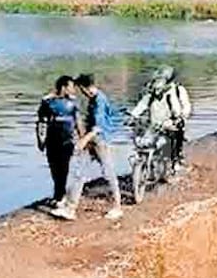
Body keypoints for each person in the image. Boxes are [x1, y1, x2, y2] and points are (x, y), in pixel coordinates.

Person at [52, 74, 124, 221]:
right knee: (79, 172)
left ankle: (117, 207)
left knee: (108, 172)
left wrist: (83, 140)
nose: (81, 93)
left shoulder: (99, 101)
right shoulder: (93, 99)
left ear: (86, 88)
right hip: (92, 141)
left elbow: (97, 128)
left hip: (100, 141)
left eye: (81, 89)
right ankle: (70, 208)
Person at [129, 66, 192, 171]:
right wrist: (133, 115)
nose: (159, 82)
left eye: (162, 79)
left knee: (176, 136)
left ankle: (176, 160)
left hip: (172, 123)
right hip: (154, 124)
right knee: (142, 140)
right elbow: (143, 104)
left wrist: (181, 116)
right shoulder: (152, 92)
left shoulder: (177, 90)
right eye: (158, 79)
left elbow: (186, 106)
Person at [35, 76, 79, 209]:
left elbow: (78, 121)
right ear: (64, 87)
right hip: (52, 141)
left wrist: (82, 139)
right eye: (71, 87)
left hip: (67, 141)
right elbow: (41, 122)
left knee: (64, 169)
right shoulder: (48, 102)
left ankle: (61, 197)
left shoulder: (73, 103)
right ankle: (58, 195)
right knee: (54, 169)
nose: (73, 90)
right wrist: (40, 140)